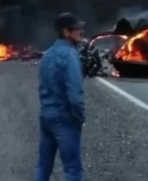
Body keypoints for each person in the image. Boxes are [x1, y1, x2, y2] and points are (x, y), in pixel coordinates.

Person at [34, 12, 86, 181]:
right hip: (65, 119)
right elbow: (75, 95)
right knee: (73, 170)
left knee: (43, 167)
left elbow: (42, 86)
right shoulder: (69, 55)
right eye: (77, 29)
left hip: (46, 117)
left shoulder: (47, 54)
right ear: (66, 32)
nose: (81, 31)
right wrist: (79, 117)